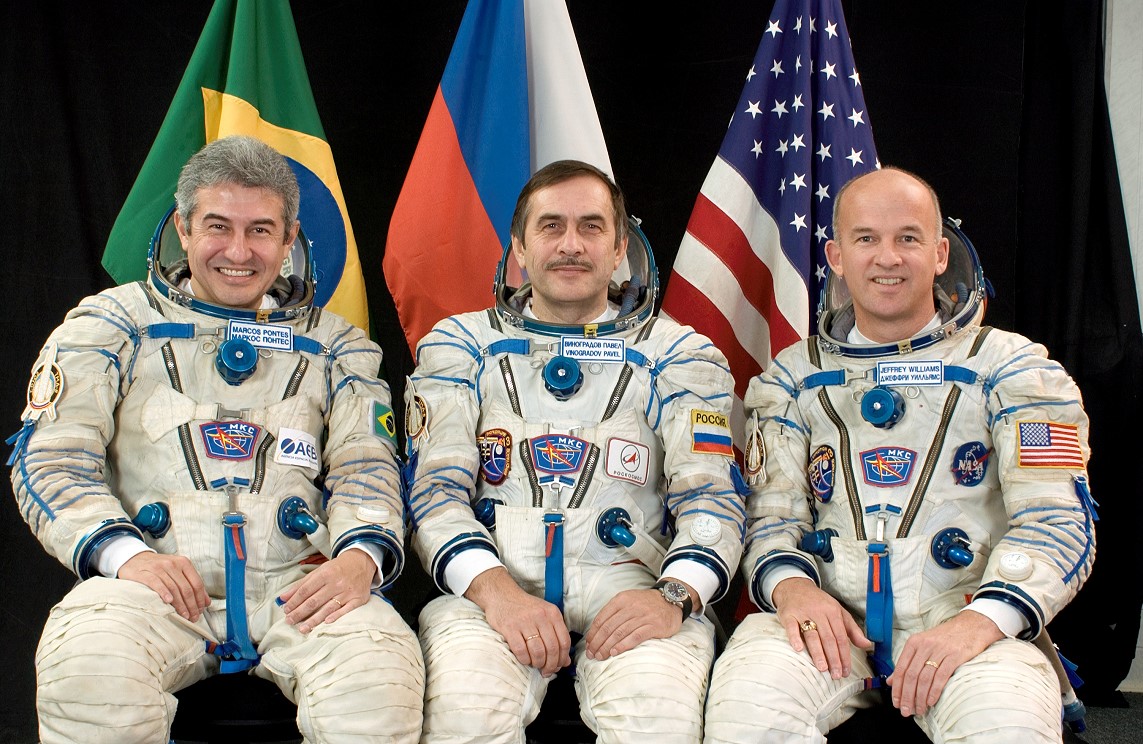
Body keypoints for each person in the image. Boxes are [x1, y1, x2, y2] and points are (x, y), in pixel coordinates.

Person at [8, 135, 424, 743]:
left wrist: (360, 558)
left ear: (289, 238)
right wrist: (126, 556)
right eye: (217, 226)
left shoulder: (337, 347)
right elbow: (52, 461)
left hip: (299, 584)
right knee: (90, 672)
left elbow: (369, 468)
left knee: (379, 685)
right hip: (156, 579)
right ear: (183, 228)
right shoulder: (113, 325)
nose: (238, 251)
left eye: (261, 230)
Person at [703, 167, 1097, 743]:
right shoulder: (794, 377)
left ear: (939, 253)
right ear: (837, 256)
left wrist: (982, 621)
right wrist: (793, 589)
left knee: (1004, 725)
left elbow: (1057, 521)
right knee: (747, 709)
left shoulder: (1014, 370)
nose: (887, 257)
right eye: (866, 238)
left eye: (908, 238)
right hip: (831, 621)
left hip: (967, 620)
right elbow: (770, 518)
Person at [403, 159, 746, 742]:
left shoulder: (680, 355)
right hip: (496, 587)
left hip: (633, 587)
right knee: (466, 713)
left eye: (591, 227)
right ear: (519, 246)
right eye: (551, 226)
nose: (571, 245)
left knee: (656, 722)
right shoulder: (462, 345)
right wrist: (497, 593)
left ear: (619, 248)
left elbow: (712, 501)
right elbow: (435, 494)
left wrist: (673, 596)